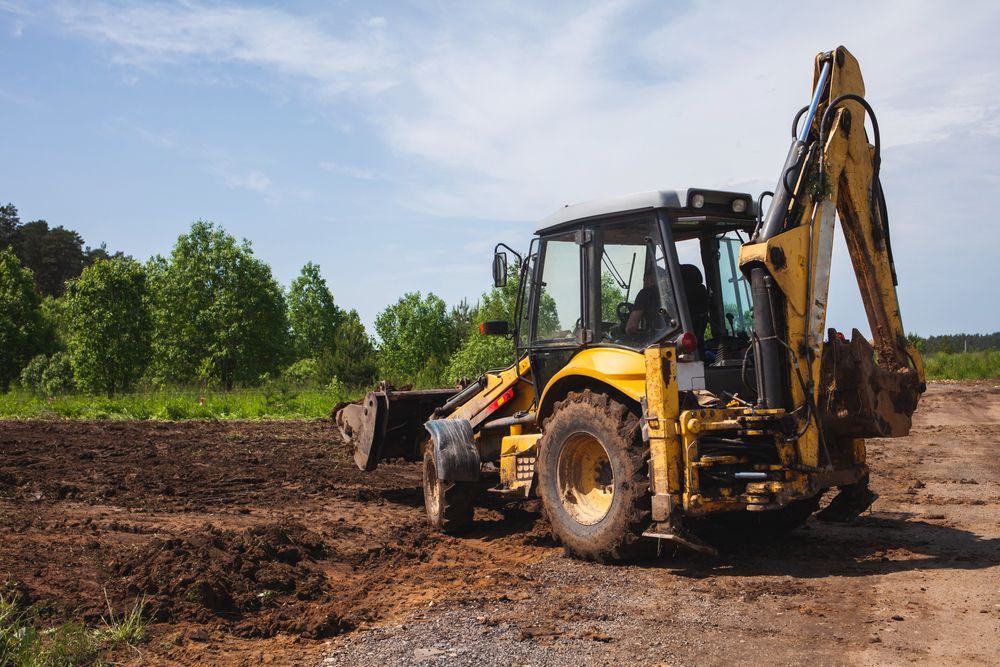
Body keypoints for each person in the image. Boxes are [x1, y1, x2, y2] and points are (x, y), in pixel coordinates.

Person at [626, 266, 664, 336]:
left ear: (651, 279)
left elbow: (631, 327)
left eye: (645, 281)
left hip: (656, 340)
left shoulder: (645, 293)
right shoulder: (672, 294)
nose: (644, 284)